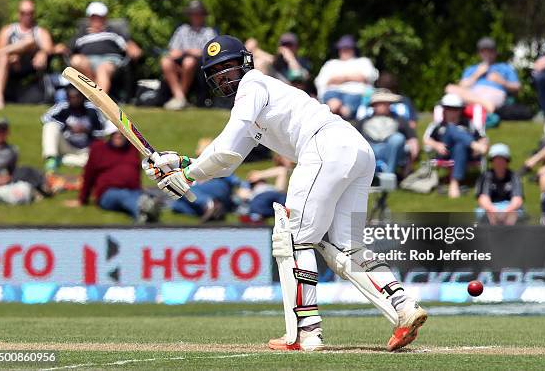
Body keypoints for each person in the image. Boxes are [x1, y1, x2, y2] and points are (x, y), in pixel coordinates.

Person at [142, 35, 427, 351]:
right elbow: (228, 159)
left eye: (229, 66)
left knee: (292, 238)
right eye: (217, 71)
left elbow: (222, 150)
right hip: (356, 148)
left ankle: (305, 333)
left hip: (324, 147)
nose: (224, 75)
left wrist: (186, 175)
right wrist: (182, 164)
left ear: (245, 63)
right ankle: (403, 307)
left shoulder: (253, 86)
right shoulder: (258, 99)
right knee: (345, 247)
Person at [65, 126, 161, 223]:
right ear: (110, 135)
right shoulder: (98, 148)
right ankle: (142, 211)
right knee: (124, 196)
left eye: (121, 133)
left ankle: (145, 216)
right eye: (115, 133)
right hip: (108, 193)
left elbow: (137, 173)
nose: (118, 135)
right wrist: (82, 200)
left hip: (133, 190)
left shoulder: (132, 148)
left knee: (139, 195)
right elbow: (89, 175)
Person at [55, 2, 142, 95]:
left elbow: (129, 45)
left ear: (105, 18)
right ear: (89, 18)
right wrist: (59, 48)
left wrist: (133, 50)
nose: (97, 20)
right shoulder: (81, 35)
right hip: (87, 63)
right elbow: (67, 48)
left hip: (109, 61)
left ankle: (99, 102)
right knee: (76, 60)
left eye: (100, 17)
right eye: (94, 17)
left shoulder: (113, 32)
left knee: (102, 69)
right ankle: (95, 92)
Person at [0, 0, 53, 109]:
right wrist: (17, 50)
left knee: (29, 42)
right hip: (8, 65)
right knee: (4, 57)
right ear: (19, 14)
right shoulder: (8, 30)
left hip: (30, 66)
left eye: (30, 13)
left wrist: (42, 53)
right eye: (23, 13)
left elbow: (49, 49)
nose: (27, 16)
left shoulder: (40, 32)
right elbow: (0, 53)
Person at [423, 94, 489, 198]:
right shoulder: (438, 125)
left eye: (455, 109)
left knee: (460, 145)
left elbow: (483, 138)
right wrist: (436, 145)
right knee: (450, 128)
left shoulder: (469, 124)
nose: (452, 112)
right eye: (449, 109)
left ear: (460, 110)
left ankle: (454, 183)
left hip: (467, 153)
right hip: (445, 152)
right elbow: (426, 139)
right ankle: (472, 144)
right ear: (444, 110)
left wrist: (481, 143)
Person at [161, 0, 217, 110]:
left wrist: (190, 52)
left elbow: (210, 52)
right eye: (193, 14)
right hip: (180, 62)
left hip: (200, 66)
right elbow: (173, 51)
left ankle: (179, 99)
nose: (195, 16)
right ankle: (180, 97)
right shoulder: (182, 30)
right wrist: (185, 52)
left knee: (189, 62)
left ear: (203, 15)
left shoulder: (208, 32)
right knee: (165, 61)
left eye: (198, 14)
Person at [41, 86, 108, 173]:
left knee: (94, 161)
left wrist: (87, 131)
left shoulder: (92, 109)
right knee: (50, 126)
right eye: (71, 97)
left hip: (86, 149)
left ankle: (62, 160)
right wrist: (67, 126)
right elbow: (45, 118)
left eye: (77, 97)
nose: (74, 100)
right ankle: (51, 158)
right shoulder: (63, 107)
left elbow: (104, 131)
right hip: (67, 145)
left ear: (82, 97)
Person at [445, 37, 520, 113]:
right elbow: (462, 86)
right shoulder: (472, 69)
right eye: (483, 51)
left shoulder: (505, 67)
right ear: (479, 53)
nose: (487, 54)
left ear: (495, 52)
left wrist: (502, 82)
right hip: (473, 93)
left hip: (494, 93)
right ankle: (486, 105)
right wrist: (477, 74)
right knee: (449, 88)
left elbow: (517, 87)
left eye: (490, 51)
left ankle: (480, 107)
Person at [315, 35, 378, 119]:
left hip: (355, 94)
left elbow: (369, 77)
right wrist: (352, 77)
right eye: (342, 48)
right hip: (333, 94)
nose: (344, 50)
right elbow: (321, 82)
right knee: (334, 105)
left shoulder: (363, 62)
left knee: (346, 109)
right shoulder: (331, 64)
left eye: (347, 48)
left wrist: (340, 79)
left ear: (353, 49)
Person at [357, 89, 419, 175]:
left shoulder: (399, 120)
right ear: (374, 105)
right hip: (370, 150)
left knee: (398, 138)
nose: (384, 106)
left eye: (386, 103)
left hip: (390, 150)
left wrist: (414, 147)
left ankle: (388, 174)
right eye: (381, 103)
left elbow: (412, 138)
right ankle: (367, 176)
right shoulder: (364, 121)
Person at [475, 143, 524, 225]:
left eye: (502, 159)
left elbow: (517, 199)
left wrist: (506, 211)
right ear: (492, 161)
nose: (499, 162)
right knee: (489, 214)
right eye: (496, 159)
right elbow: (483, 198)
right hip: (491, 206)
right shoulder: (486, 176)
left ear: (507, 160)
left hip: (509, 206)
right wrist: (493, 210)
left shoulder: (514, 176)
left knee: (513, 215)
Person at [0, 118, 34, 204]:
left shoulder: (13, 150)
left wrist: (3, 179)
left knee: (26, 174)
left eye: (3, 130)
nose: (0, 132)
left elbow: (11, 173)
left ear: (7, 132)